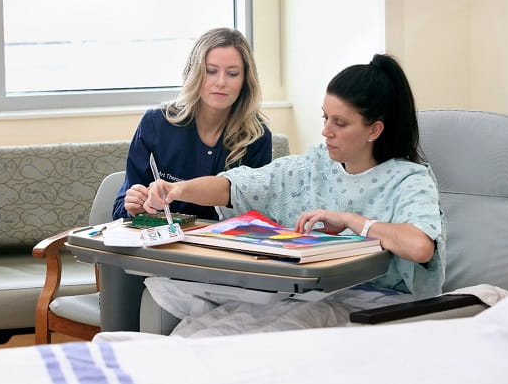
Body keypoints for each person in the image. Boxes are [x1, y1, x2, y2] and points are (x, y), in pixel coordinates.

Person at [142, 53, 446, 336]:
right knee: (200, 327)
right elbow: (237, 186)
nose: (326, 131)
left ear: (374, 130)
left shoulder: (409, 179)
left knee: (252, 339)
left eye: (340, 123)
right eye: (325, 117)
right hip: (310, 296)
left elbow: (420, 246)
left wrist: (350, 220)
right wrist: (177, 189)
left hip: (378, 304)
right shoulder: (314, 166)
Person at [112, 27, 272, 221]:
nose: (221, 82)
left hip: (223, 247)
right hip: (163, 243)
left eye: (232, 73)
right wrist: (135, 207)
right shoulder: (155, 123)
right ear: (194, 73)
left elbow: (257, 213)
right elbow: (121, 208)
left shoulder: (257, 136)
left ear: (245, 80)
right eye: (211, 71)